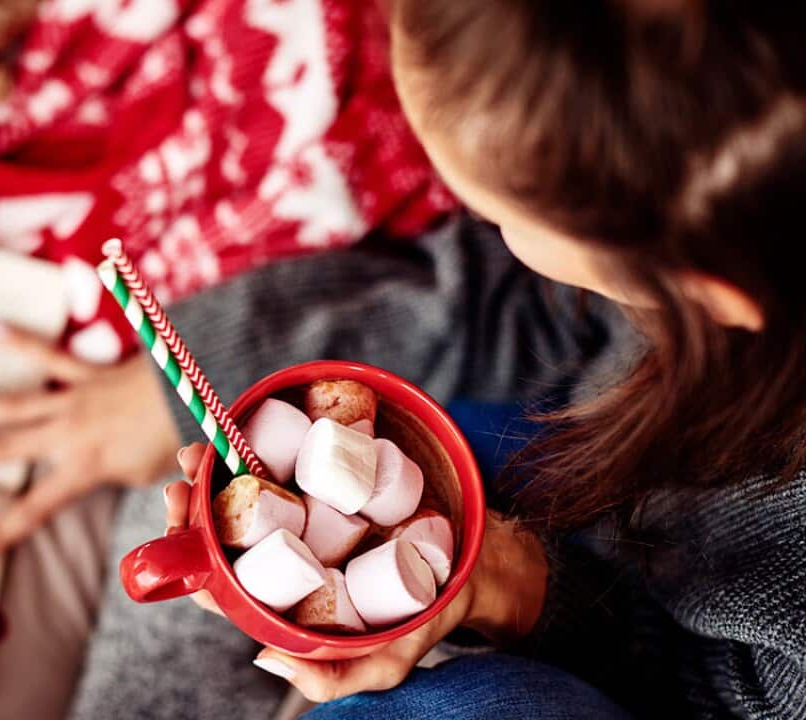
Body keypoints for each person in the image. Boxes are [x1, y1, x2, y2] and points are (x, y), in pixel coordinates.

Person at [70, 1, 805, 718]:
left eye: (499, 215)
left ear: (695, 289)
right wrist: (221, 357)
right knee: (199, 485)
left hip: (666, 662)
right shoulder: (712, 189)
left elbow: (704, 691)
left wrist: (525, 596)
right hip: (588, 445)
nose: (479, 223)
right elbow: (518, 298)